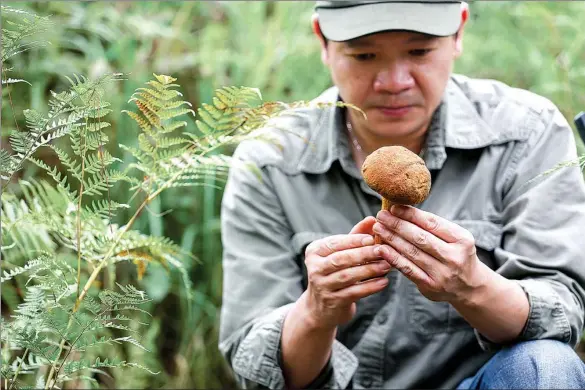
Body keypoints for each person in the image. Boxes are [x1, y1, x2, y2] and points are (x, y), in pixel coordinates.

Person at [218, 1, 585, 388]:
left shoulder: (526, 134)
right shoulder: (271, 160)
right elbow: (257, 371)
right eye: (364, 55)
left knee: (546, 364)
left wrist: (471, 286)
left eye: (419, 51)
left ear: (458, 32)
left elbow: (562, 315)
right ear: (323, 42)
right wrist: (315, 311)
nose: (394, 82)